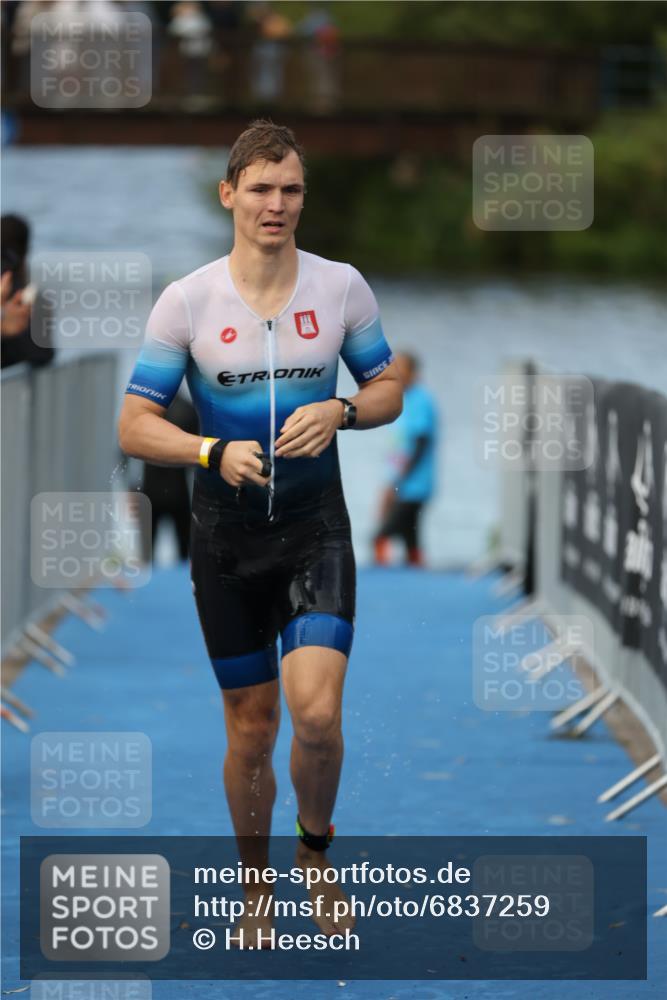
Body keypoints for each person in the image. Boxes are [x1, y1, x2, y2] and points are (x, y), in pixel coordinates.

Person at [118, 119, 402, 946]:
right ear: (229, 195)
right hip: (226, 544)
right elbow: (136, 426)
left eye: (290, 190)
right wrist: (209, 447)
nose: (276, 205)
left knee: (315, 717)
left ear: (301, 199)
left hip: (316, 533)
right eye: (261, 189)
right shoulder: (188, 300)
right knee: (252, 728)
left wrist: (341, 409)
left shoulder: (340, 287)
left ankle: (314, 853)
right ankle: (255, 885)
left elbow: (385, 389)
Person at [374, 351, 438, 567]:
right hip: (401, 481)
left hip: (413, 485)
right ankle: (417, 571)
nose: (397, 373)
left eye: (401, 368)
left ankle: (380, 576)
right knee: (410, 536)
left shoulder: (421, 401)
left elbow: (421, 443)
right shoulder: (403, 398)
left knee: (381, 534)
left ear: (413, 372)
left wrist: (398, 481)